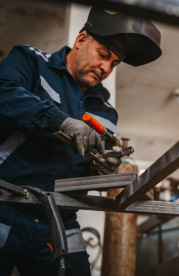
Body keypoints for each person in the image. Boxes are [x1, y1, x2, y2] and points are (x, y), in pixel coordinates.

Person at [0, 7, 161, 275]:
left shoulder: (106, 112)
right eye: (103, 55)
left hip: (61, 218)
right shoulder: (31, 62)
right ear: (81, 40)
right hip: (5, 206)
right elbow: (4, 93)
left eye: (114, 63)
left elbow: (88, 168)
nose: (106, 68)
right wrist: (58, 121)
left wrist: (101, 171)